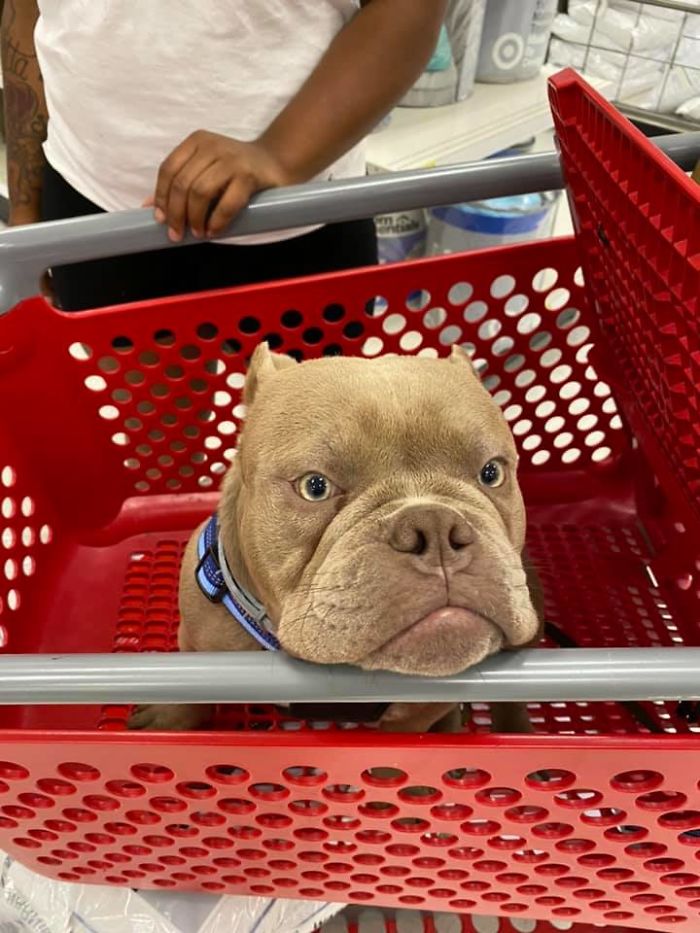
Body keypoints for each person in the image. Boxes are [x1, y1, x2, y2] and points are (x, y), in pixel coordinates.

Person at [1, 1, 446, 310]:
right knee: (153, 440)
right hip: (95, 202)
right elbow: (26, 11)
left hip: (296, 215)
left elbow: (408, 7)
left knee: (310, 441)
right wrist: (26, 209)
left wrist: (279, 154)